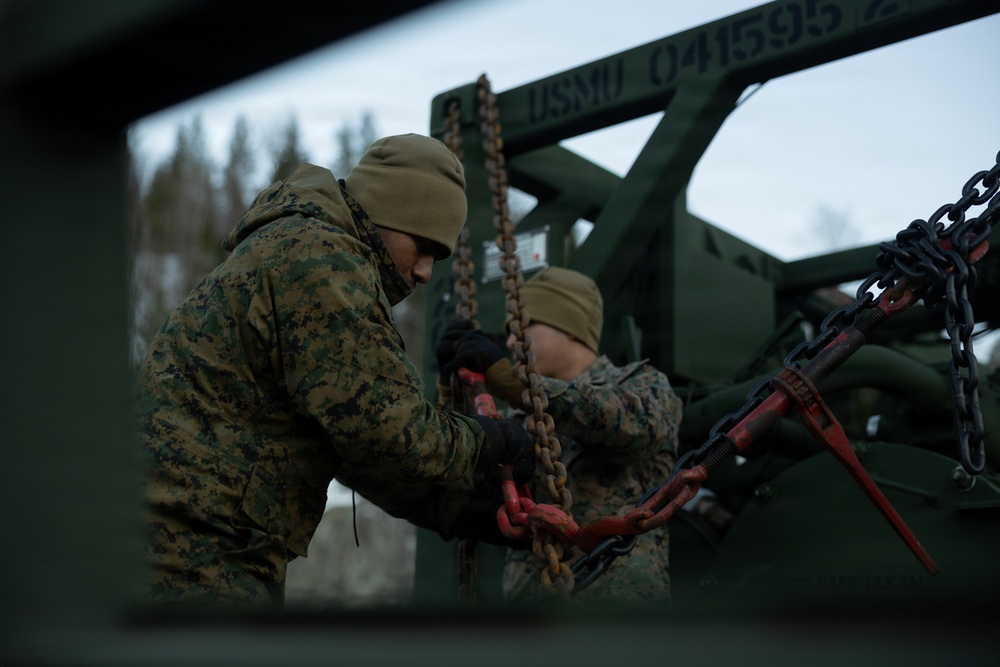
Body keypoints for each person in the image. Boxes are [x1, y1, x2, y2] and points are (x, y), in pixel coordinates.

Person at [136, 133, 535, 609]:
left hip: (185, 537)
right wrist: (491, 441)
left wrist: (467, 512)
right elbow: (391, 431)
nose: (426, 271)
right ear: (387, 213)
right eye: (424, 245)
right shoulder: (321, 260)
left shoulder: (295, 245)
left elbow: (359, 451)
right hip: (196, 546)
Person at [438, 266, 682, 604]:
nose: (511, 342)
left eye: (523, 328)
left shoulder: (642, 386)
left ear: (570, 328)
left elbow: (633, 426)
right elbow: (459, 492)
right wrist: (452, 395)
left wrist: (513, 384)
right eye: (509, 333)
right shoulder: (516, 419)